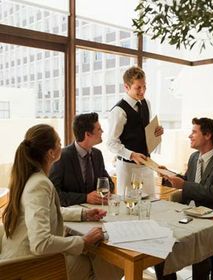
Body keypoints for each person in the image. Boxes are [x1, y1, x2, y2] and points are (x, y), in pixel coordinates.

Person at [1, 124, 122, 280]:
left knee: (97, 260)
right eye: (59, 142)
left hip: (18, 259)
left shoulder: (29, 177)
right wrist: (83, 241)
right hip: (27, 267)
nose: (62, 146)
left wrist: (84, 214)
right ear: (51, 153)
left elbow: (48, 210)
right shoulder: (39, 184)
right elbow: (41, 244)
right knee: (104, 263)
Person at [155, 117, 213, 280]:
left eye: (194, 132)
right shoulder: (194, 157)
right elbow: (188, 180)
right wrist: (168, 176)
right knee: (160, 241)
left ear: (207, 135)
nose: (189, 136)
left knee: (200, 256)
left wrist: (184, 185)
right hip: (190, 215)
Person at [107, 66, 163, 195]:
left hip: (147, 164)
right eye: (138, 87)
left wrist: (156, 132)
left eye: (144, 86)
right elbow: (111, 143)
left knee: (150, 204)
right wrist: (132, 155)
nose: (142, 91)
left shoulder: (146, 103)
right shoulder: (118, 111)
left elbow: (143, 132)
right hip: (127, 168)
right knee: (129, 208)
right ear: (126, 87)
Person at [49, 113, 114, 206]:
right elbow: (54, 194)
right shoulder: (62, 157)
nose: (102, 131)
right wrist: (86, 198)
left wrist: (106, 191)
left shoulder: (97, 154)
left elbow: (108, 182)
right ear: (87, 134)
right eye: (99, 129)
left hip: (97, 211)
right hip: (71, 213)